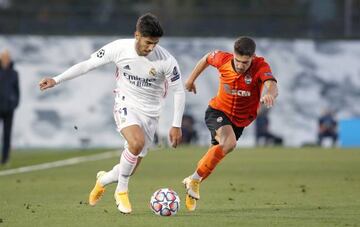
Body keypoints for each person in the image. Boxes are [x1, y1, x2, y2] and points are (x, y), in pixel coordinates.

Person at [39, 13, 185, 214]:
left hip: (151, 114)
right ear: (137, 35)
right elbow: (87, 65)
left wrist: (176, 124)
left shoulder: (167, 60)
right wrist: (57, 79)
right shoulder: (118, 48)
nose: (151, 48)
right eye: (148, 42)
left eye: (155, 43)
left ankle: (103, 179)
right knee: (136, 143)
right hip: (125, 103)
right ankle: (121, 191)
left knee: (130, 166)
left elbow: (178, 91)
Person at [182, 37, 278, 211]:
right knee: (229, 144)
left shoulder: (260, 66)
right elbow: (206, 58)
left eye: (245, 62)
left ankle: (193, 181)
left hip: (240, 122)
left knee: (216, 155)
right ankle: (195, 180)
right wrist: (190, 80)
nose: (241, 65)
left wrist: (270, 93)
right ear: (233, 54)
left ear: (253, 57)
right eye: (238, 61)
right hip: (217, 112)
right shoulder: (223, 59)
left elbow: (271, 84)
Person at [0, 49, 20, 165]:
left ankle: (5, 158)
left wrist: (15, 103)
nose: (6, 59)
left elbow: (17, 91)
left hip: (9, 107)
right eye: (4, 57)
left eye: (7, 57)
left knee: (7, 135)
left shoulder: (14, 73)